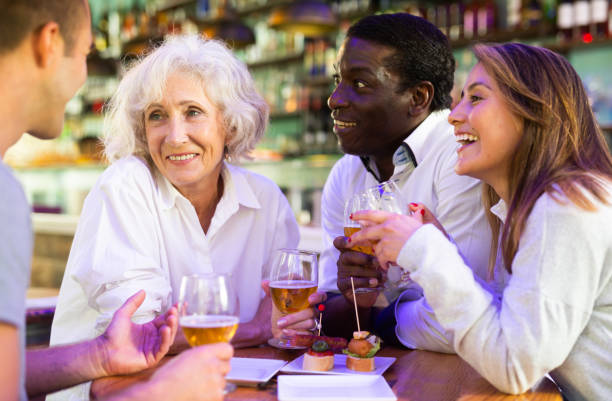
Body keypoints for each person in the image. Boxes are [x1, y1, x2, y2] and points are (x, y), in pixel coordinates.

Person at [49, 32, 324, 399]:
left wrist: (294, 322)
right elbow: (137, 340)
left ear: (229, 124)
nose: (175, 136)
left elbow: (283, 319)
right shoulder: (125, 186)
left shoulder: (265, 200)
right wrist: (256, 328)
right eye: (157, 116)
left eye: (193, 112)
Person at [349, 42, 612, 400]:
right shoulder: (533, 206)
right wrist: (442, 252)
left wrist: (427, 251)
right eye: (458, 99)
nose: (454, 115)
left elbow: (515, 367)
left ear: (533, 111)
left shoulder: (565, 206)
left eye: (475, 98)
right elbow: (508, 326)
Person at [0, 1, 232, 400]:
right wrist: (157, 394)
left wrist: (101, 355)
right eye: (87, 53)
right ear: (49, 43)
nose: (85, 76)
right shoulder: (5, 197)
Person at [297, 13, 491, 345]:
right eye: (337, 81)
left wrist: (379, 316)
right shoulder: (346, 173)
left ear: (418, 98)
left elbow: (468, 320)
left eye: (359, 83)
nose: (335, 100)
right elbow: (333, 313)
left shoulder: (460, 157)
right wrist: (358, 299)